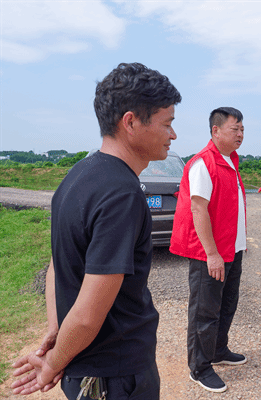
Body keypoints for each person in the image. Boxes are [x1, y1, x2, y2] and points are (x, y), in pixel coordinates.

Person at [11, 62, 181, 399]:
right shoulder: (122, 194)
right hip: (114, 378)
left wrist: (57, 329)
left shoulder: (77, 175)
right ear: (130, 122)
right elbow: (89, 315)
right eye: (167, 124)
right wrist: (52, 362)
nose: (173, 135)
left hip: (84, 370)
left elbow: (57, 265)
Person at [169, 107, 247, 393]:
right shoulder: (204, 163)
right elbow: (198, 209)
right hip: (210, 253)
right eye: (234, 129)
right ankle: (199, 367)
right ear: (216, 130)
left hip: (232, 249)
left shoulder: (231, 161)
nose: (240, 134)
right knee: (205, 311)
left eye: (242, 129)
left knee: (227, 304)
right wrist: (212, 254)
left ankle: (218, 350)